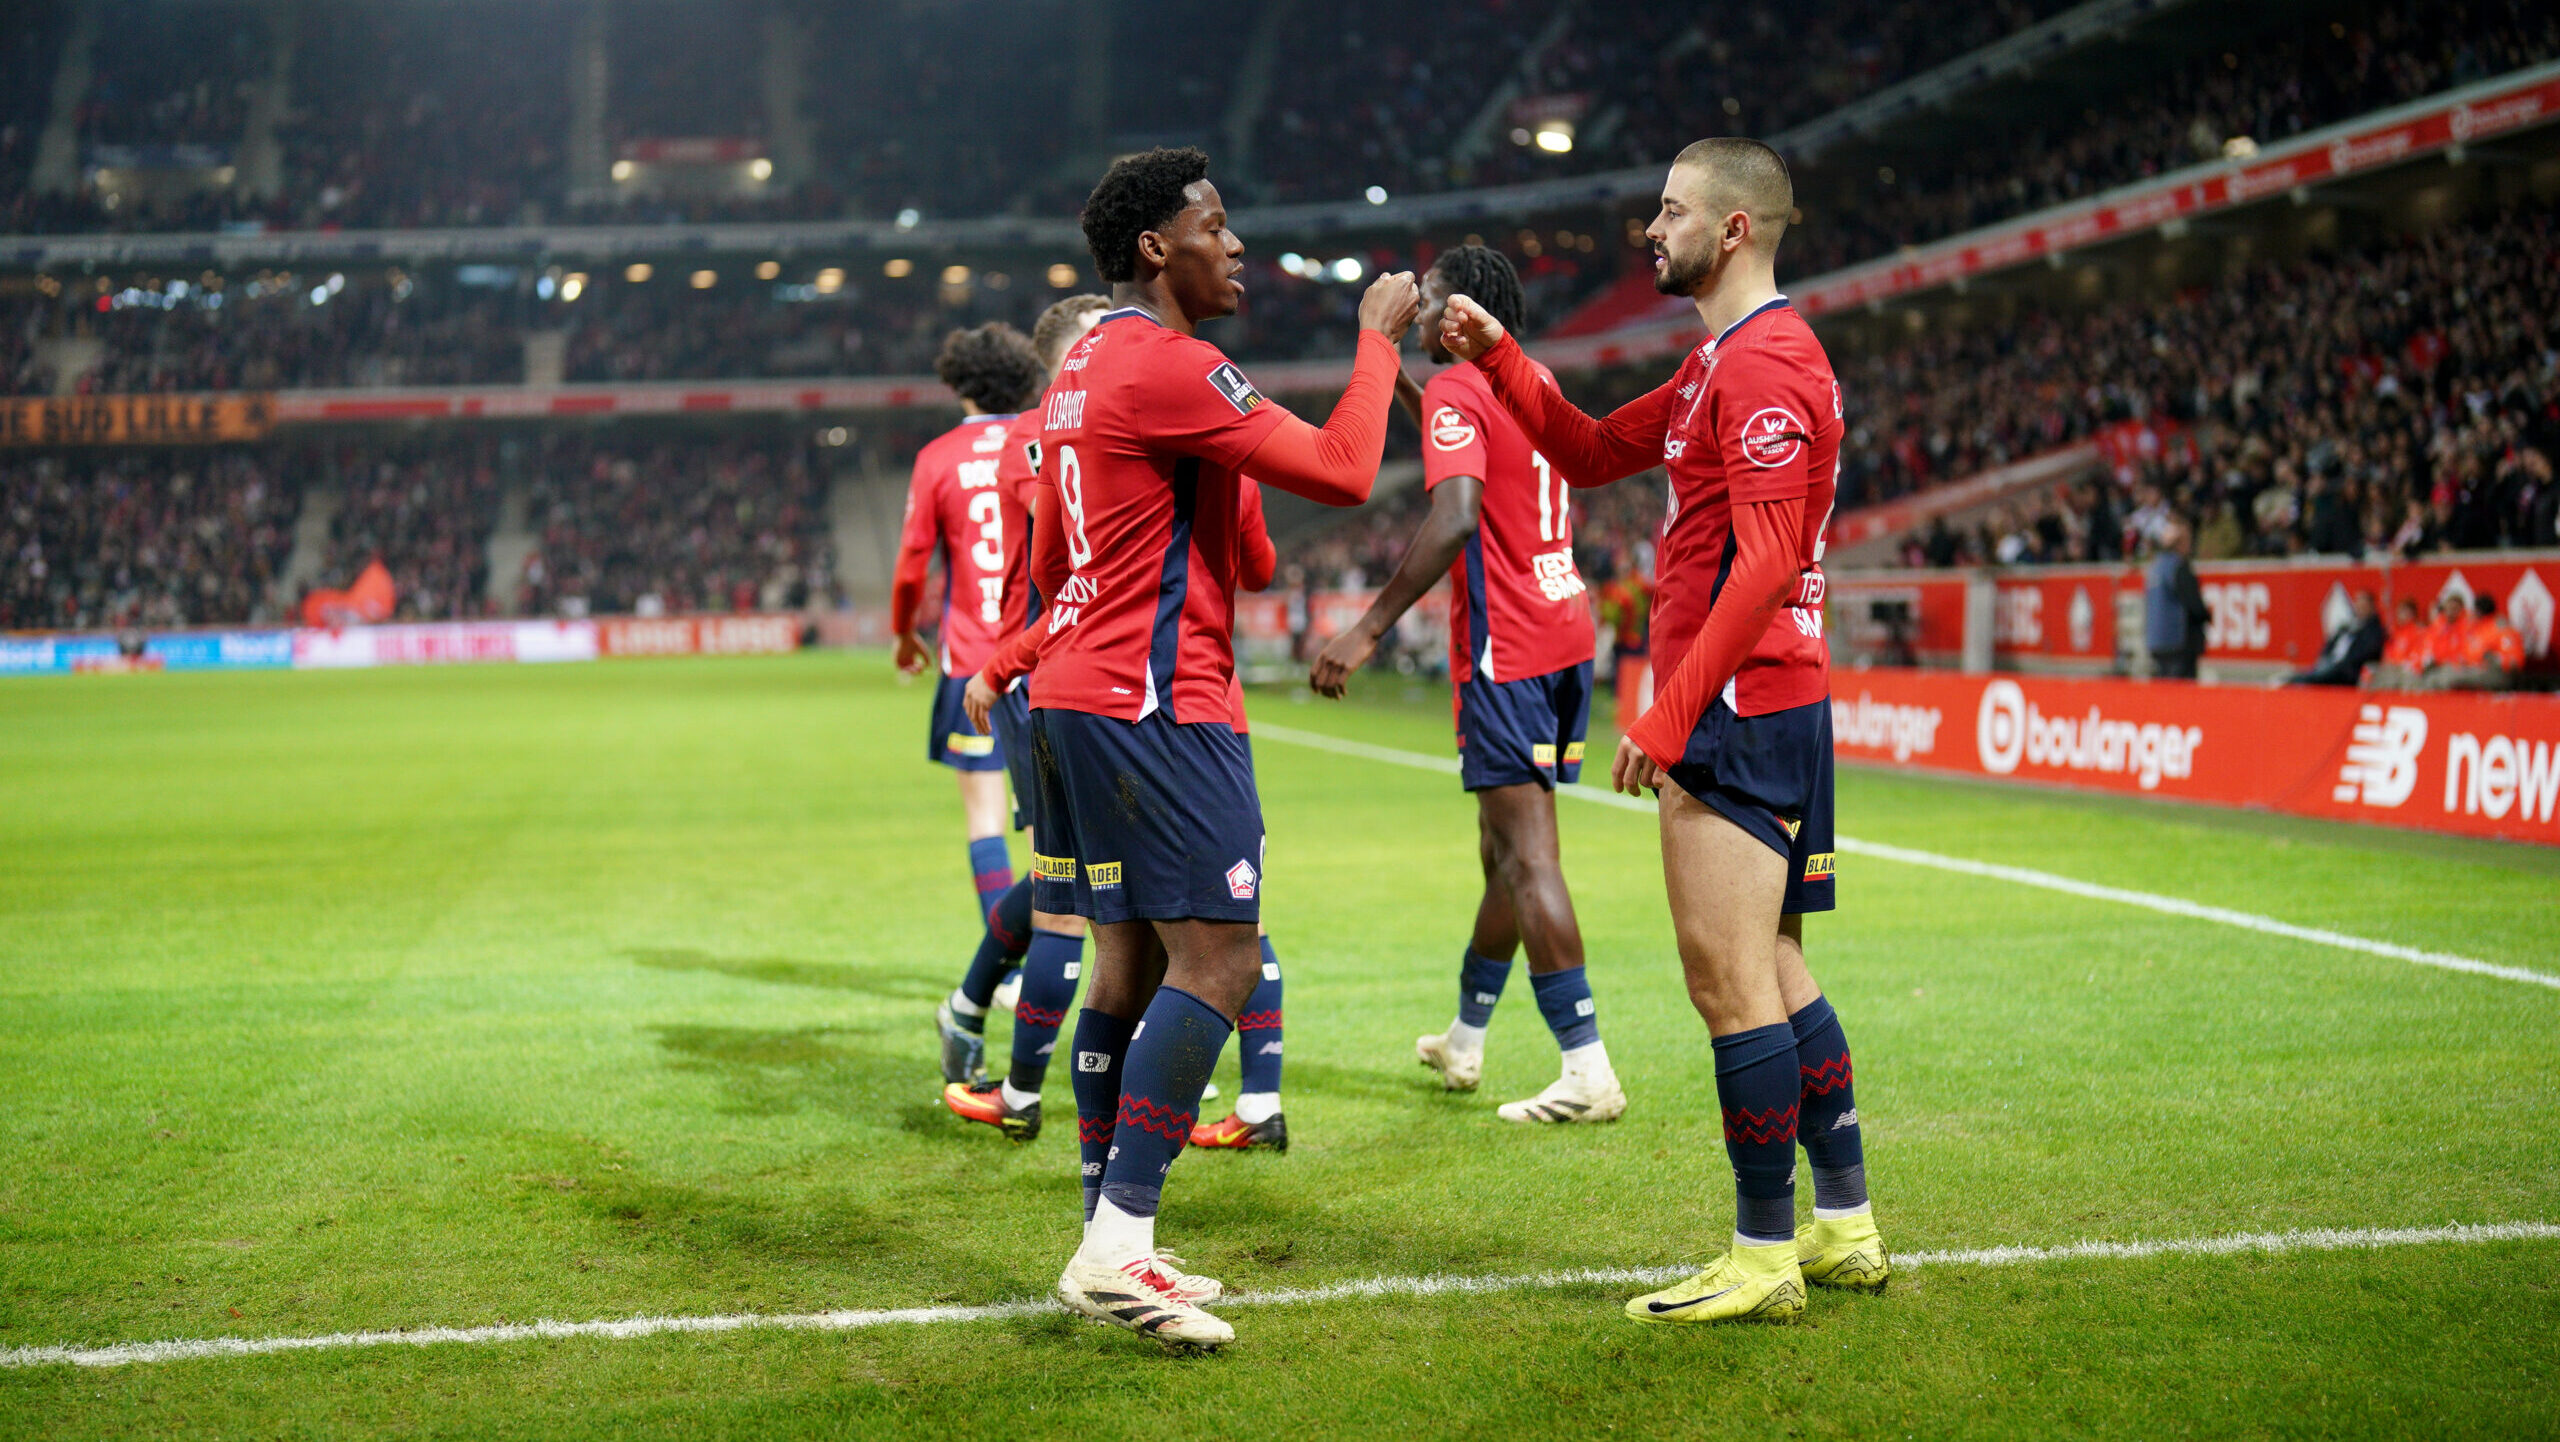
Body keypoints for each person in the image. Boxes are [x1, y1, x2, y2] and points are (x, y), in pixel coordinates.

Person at [1441, 136, 1882, 1326]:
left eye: (1672, 209)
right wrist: (1503, 355)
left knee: (1726, 980)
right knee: (1779, 967)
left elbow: (1776, 552)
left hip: (1738, 706)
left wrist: (1672, 703)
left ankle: (1758, 1252)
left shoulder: (1767, 361)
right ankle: (1841, 1225)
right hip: (1767, 699)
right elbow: (1585, 451)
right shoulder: (1714, 365)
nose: (1652, 225)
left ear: (1732, 229)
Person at [1028, 146, 1417, 1350]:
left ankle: (1111, 1230)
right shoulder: (1168, 359)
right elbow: (1348, 472)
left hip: (1074, 693)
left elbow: (1059, 557)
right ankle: (1116, 1241)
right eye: (1214, 223)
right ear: (1157, 247)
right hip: (1159, 705)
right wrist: (1379, 339)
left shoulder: (1082, 361)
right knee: (1224, 960)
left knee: (1129, 971)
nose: (1235, 242)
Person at [1309, 243, 1626, 1124]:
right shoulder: (1531, 379)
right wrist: (1407, 380)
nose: (1420, 315)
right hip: (1564, 629)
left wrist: (1367, 628)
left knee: (1528, 858)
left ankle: (1586, 1067)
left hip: (1509, 645)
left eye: (1433, 302)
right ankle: (1467, 1037)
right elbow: (1465, 429)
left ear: (1463, 312)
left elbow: (1454, 514)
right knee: (1503, 855)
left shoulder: (1458, 390)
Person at [937, 294, 1109, 1130]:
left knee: (1083, 883)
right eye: (1098, 337)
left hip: (1083, 676)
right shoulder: (1037, 441)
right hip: (1043, 677)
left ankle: (974, 1017)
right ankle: (1024, 1088)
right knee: (1070, 891)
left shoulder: (1091, 428)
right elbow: (1067, 577)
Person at [894, 324, 1049, 1083]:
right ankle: (1040, 971)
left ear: (958, 385)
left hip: (969, 667)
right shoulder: (1037, 439)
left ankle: (1012, 971)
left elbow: (910, 567)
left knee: (985, 822)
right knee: (1049, 835)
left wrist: (902, 637)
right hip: (1042, 660)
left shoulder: (937, 458)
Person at [2143, 521, 2207, 679]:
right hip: (2177, 641)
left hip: (2157, 642)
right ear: (2178, 544)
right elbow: (2193, 604)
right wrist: (2206, 616)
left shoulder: (2155, 567)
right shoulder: (2178, 567)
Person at [2287, 589, 2384, 686]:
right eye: (2357, 604)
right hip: (2331, 665)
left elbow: (2367, 652)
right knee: (2309, 673)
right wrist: (2324, 658)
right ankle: (2292, 681)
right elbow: (2329, 644)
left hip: (2347, 671)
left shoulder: (2374, 630)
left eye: (2363, 605)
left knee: (2313, 677)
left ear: (2371, 607)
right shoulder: (2347, 627)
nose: (2359, 608)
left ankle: (2298, 681)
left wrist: (2344, 662)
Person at [2434, 592, 2525, 691]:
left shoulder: (2501, 628)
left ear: (2479, 611)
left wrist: (2493, 659)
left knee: (2451, 678)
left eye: (2475, 611)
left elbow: (2514, 663)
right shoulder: (2477, 627)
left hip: (2497, 674)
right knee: (2447, 671)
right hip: (2474, 670)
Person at [2363, 597, 2434, 690]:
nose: (2400, 614)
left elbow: (2422, 654)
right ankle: (2366, 700)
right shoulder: (2394, 632)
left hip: (2407, 670)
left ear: (2412, 613)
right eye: (2399, 610)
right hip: (2392, 668)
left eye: (2404, 611)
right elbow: (2387, 654)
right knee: (2369, 669)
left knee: (2395, 676)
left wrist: (2408, 665)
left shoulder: (2419, 631)